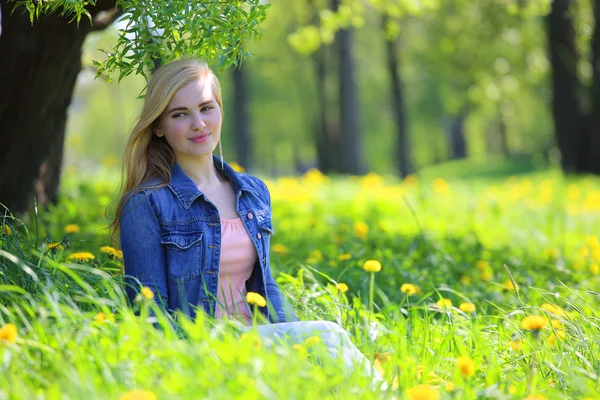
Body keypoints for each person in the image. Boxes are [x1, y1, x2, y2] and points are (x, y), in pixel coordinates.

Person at [110, 58, 383, 387]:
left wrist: (300, 345)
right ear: (159, 126)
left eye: (206, 108)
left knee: (324, 349)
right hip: (202, 353)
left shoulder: (253, 193)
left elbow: (266, 287)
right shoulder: (147, 204)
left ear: (220, 111)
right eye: (180, 114)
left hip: (261, 344)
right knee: (330, 336)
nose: (198, 123)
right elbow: (148, 313)